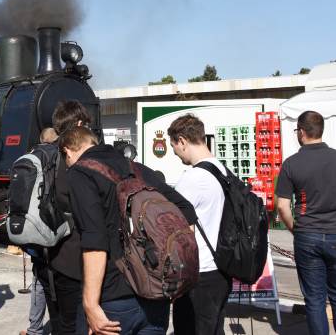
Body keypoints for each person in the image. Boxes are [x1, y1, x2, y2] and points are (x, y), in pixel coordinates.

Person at [64, 126, 197, 335]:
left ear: (68, 151)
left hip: (113, 299)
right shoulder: (137, 169)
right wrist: (178, 271)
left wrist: (90, 304)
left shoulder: (80, 173)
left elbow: (95, 240)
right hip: (155, 294)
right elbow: (186, 210)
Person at [275, 110, 336, 335]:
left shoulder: (291, 164)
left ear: (301, 132)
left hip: (307, 234)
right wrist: (333, 192)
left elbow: (282, 206)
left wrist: (295, 229)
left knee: (315, 298)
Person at [168, 113, 232, 335]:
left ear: (182, 141)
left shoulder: (193, 179)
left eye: (174, 147)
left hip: (198, 273)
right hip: (222, 269)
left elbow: (179, 232)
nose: (176, 154)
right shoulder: (223, 171)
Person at [37, 100, 94, 334]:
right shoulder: (75, 162)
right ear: (79, 124)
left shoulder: (47, 156)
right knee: (75, 325)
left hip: (47, 256)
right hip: (74, 260)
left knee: (59, 322)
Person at [20, 127, 57, 335]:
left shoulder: (28, 157)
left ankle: (34, 328)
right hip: (55, 226)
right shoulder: (60, 157)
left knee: (39, 279)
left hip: (33, 227)